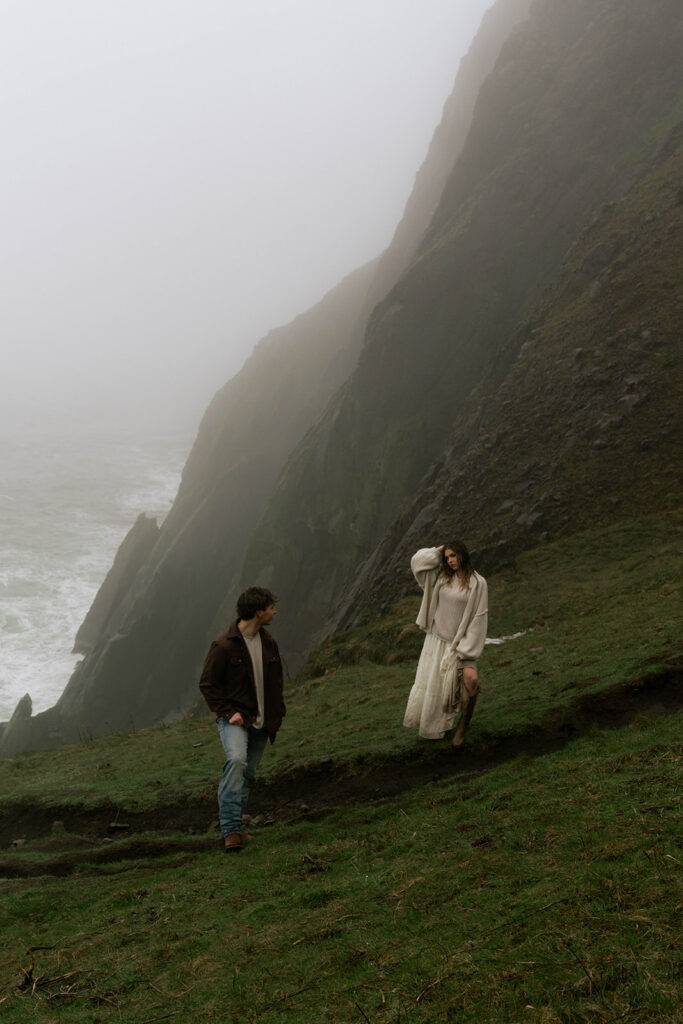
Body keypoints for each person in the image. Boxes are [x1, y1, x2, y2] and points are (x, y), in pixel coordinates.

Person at [199, 585, 285, 852]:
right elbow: (207, 685)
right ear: (258, 612)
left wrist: (277, 711)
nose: (275, 612)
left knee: (247, 774)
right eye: (271, 608)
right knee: (236, 761)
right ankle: (231, 831)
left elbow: (276, 680)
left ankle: (237, 826)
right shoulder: (223, 646)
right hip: (236, 720)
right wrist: (228, 713)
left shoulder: (269, 642)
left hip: (262, 720)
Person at [403, 542, 488, 746]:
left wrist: (465, 652)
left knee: (471, 681)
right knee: (437, 686)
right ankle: (437, 728)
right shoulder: (440, 577)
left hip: (459, 646)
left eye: (454, 556)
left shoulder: (478, 583)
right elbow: (417, 563)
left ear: (463, 555)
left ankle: (463, 727)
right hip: (435, 641)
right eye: (448, 557)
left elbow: (478, 618)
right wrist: (437, 551)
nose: (450, 560)